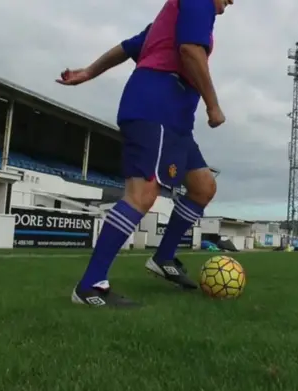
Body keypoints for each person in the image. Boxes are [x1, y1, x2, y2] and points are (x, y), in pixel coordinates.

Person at [60, 0, 233, 307]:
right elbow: (190, 51)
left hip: (177, 121)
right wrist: (213, 104)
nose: (232, 2)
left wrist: (88, 72)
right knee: (142, 194)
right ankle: (89, 286)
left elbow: (127, 47)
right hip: (156, 108)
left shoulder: (170, 19)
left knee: (203, 187)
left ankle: (163, 257)